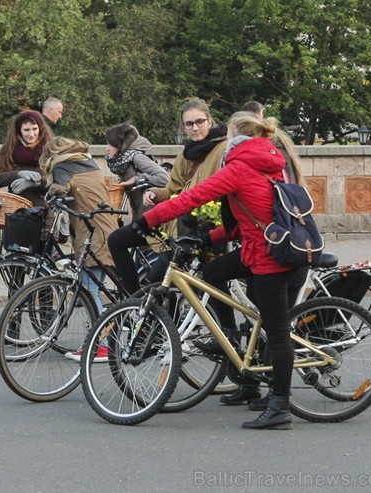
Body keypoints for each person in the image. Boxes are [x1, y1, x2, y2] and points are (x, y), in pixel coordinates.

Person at [134, 112, 308, 430]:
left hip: (270, 259)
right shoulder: (268, 161)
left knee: (278, 334)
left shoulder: (241, 166)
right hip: (257, 250)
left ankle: (280, 406)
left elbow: (192, 197)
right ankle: (230, 343)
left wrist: (148, 219)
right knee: (212, 274)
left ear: (235, 136)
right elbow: (246, 218)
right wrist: (209, 237)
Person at [108, 97, 227, 295]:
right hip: (173, 227)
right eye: (189, 124)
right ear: (183, 126)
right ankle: (134, 301)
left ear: (210, 121)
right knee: (117, 240)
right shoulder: (187, 153)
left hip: (198, 230)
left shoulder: (222, 149)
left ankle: (150, 313)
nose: (195, 128)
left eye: (200, 122)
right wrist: (154, 192)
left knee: (160, 284)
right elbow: (172, 189)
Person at [40, 137, 118, 361]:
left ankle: (101, 345)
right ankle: (102, 338)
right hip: (104, 226)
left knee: (89, 289)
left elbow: (59, 189)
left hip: (91, 232)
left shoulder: (63, 166)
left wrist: (49, 195)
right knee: (93, 285)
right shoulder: (89, 161)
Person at [104, 122, 169, 219]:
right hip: (139, 211)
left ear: (119, 144)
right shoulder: (124, 159)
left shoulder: (136, 157)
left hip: (150, 211)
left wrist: (136, 179)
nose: (107, 149)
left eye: (110, 144)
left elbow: (164, 178)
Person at [0, 110, 54, 207]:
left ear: (40, 128)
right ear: (20, 130)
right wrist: (18, 174)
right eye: (26, 130)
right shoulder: (10, 148)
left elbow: (56, 179)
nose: (31, 134)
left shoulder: (49, 148)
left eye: (35, 129)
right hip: (16, 210)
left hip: (43, 209)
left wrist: (34, 182)